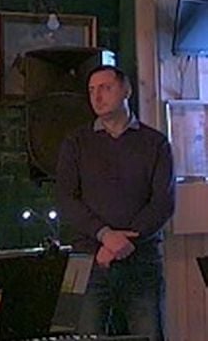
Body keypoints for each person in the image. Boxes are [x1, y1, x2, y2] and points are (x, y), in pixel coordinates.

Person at [54, 65, 173, 341]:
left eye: (105, 88)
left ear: (126, 90)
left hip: (141, 260)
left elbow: (163, 203)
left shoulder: (155, 143)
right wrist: (105, 235)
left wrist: (122, 243)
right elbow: (66, 199)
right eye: (91, 91)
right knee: (79, 335)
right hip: (86, 258)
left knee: (148, 334)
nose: (97, 97)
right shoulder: (75, 142)